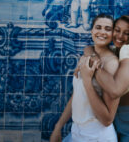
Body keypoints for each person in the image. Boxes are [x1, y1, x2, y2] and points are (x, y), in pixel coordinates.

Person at [81, 15, 129, 141]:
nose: (120, 36)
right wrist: (90, 53)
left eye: (126, 33)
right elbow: (89, 48)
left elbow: (115, 90)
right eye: (117, 30)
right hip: (122, 127)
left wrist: (92, 67)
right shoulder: (117, 50)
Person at [50, 14, 120, 142]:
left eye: (107, 29)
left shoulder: (111, 64)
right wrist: (58, 126)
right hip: (76, 132)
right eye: (98, 27)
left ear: (113, 34)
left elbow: (106, 120)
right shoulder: (87, 56)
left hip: (97, 136)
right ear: (92, 30)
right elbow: (77, 95)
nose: (102, 32)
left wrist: (87, 81)